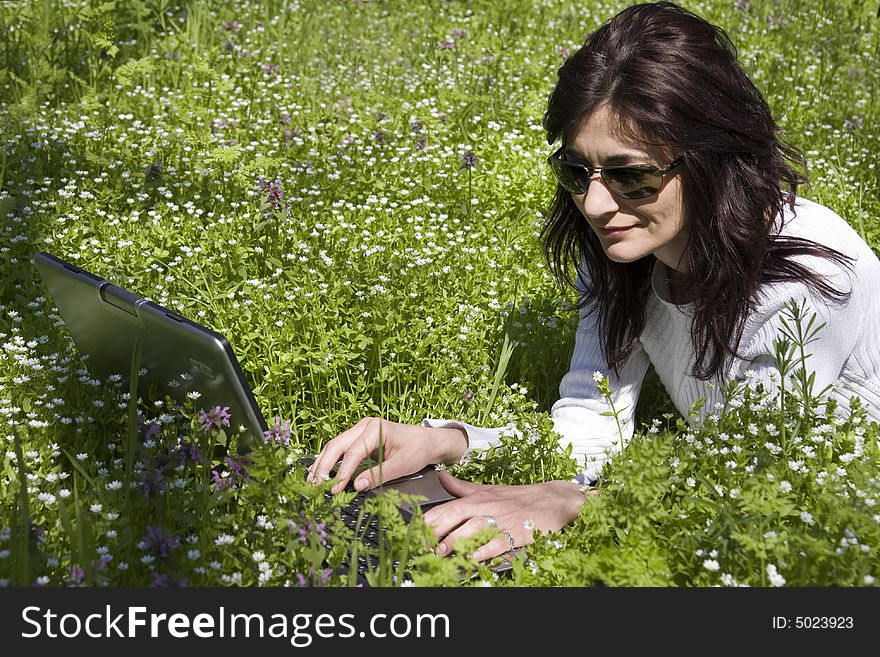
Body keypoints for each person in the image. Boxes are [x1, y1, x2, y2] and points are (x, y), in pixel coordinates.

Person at [307, 2, 880, 563]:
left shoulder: (808, 274)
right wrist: (448, 441)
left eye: (632, 175)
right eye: (577, 172)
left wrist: (577, 502)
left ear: (713, 159)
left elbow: (754, 486)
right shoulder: (623, 254)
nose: (596, 203)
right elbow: (591, 427)